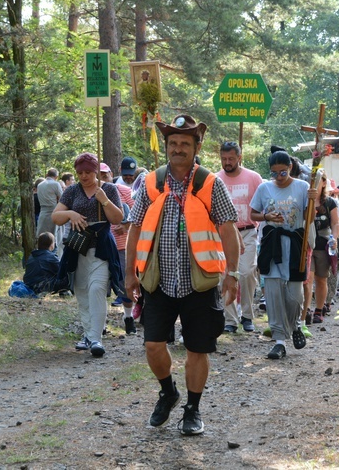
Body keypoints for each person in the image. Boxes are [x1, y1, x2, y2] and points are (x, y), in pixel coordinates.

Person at [125, 114, 240, 436]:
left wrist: (231, 273)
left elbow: (228, 231)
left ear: (196, 146)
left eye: (184, 144)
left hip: (199, 282)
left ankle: (192, 408)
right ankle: (168, 392)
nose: (178, 149)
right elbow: (134, 229)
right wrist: (130, 274)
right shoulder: (152, 182)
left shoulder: (209, 183)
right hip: (157, 280)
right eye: (173, 143)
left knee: (197, 349)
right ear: (167, 146)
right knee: (152, 345)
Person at [52, 153, 123, 357]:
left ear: (95, 171)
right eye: (80, 172)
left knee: (96, 289)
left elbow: (118, 218)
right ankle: (88, 334)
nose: (84, 176)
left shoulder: (108, 189)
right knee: (82, 291)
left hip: (101, 246)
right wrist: (70, 214)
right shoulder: (72, 191)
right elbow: (56, 217)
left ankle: (96, 339)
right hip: (78, 246)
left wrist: (105, 201)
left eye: (88, 172)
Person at [251, 150, 316, 359]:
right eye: (275, 173)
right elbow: (252, 213)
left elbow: (309, 218)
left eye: (283, 173)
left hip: (295, 244)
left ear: (290, 168)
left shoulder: (302, 187)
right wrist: (266, 216)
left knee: (294, 295)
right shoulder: (264, 188)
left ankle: (295, 324)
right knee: (273, 293)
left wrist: (314, 201)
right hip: (272, 244)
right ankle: (279, 340)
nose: (279, 177)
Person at [216, 141, 263, 333]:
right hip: (223, 235)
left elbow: (261, 205)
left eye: (231, 159)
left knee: (245, 273)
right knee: (224, 275)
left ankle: (247, 315)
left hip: (248, 231)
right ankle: (230, 320)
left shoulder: (253, 178)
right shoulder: (215, 179)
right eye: (224, 159)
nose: (227, 162)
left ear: (239, 158)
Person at [101, 162, 136, 332]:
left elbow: (139, 213)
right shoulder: (89, 194)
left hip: (123, 246)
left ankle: (128, 317)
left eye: (105, 175)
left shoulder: (124, 192)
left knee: (125, 283)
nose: (102, 179)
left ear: (111, 174)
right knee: (100, 285)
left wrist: (127, 225)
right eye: (98, 175)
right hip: (101, 247)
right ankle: (100, 322)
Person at [308, 175, 339, 324]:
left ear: (324, 183)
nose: (314, 183)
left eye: (318, 180)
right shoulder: (305, 200)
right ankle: (305, 310)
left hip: (322, 245)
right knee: (307, 279)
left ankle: (319, 309)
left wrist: (334, 238)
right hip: (306, 245)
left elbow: (335, 223)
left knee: (321, 279)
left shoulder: (329, 203)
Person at [35, 168, 64, 251]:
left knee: (42, 237)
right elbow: (62, 199)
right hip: (54, 212)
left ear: (47, 175)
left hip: (43, 213)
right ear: (56, 177)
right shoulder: (56, 184)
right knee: (54, 239)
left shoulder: (39, 185)